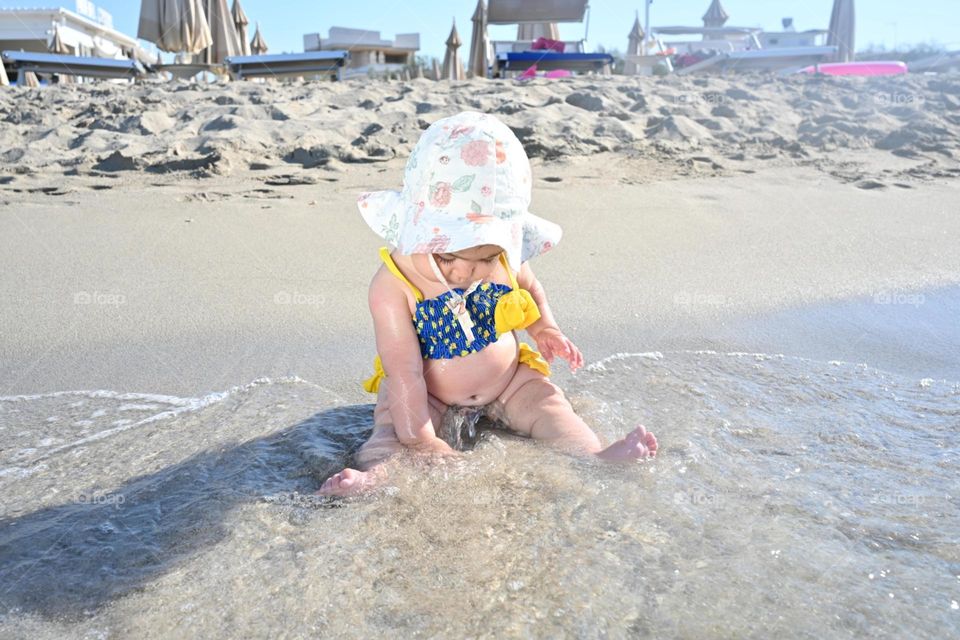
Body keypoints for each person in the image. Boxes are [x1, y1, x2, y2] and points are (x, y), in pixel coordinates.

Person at [319, 111, 656, 497]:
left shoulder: (505, 257)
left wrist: (546, 329)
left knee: (550, 406)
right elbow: (405, 372)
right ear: (419, 230)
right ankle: (374, 479)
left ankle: (594, 456)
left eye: (487, 259)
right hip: (429, 393)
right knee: (392, 431)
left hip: (507, 381)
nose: (469, 274)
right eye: (449, 258)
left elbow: (530, 288)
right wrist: (422, 441)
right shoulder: (393, 285)